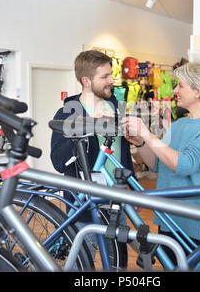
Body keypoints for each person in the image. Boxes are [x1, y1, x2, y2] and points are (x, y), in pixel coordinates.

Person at [122, 62, 200, 263]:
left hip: (196, 221)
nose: (174, 90)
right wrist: (142, 142)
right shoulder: (180, 124)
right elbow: (157, 163)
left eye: (180, 86)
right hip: (169, 218)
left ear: (198, 90)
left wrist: (147, 133)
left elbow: (184, 164)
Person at [50, 50, 135, 267]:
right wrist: (87, 126)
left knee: (118, 263)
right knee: (82, 264)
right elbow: (58, 162)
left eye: (111, 74)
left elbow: (121, 152)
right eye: (105, 77)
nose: (112, 80)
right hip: (84, 203)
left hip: (117, 198)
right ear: (86, 81)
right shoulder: (67, 114)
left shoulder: (116, 106)